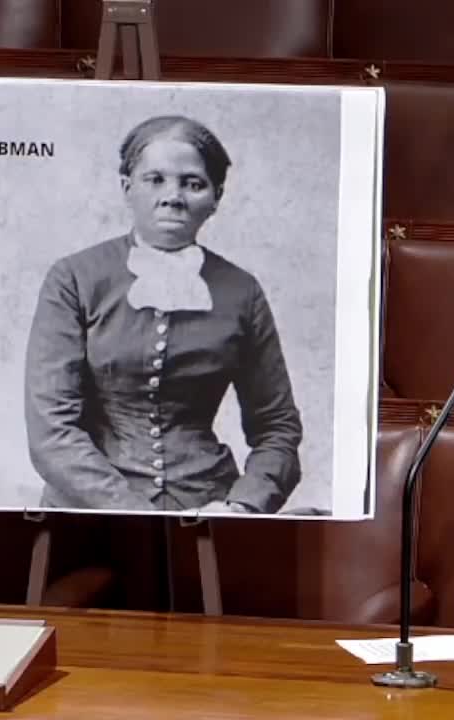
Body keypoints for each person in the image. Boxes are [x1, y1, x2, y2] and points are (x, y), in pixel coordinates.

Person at [24, 115, 303, 515]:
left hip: (207, 507)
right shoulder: (74, 278)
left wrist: (242, 505)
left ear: (216, 197)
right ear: (127, 188)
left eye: (193, 183)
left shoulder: (242, 291)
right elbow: (51, 431)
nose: (173, 196)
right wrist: (129, 511)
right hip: (90, 509)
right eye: (155, 179)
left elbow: (278, 427)